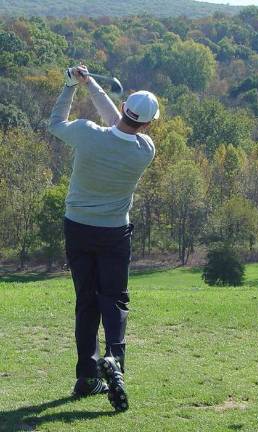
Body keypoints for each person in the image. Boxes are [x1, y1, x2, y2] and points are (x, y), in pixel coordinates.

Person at [48, 65, 159, 412]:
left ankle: (86, 376)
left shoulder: (87, 134)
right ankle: (115, 363)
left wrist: (71, 86)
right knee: (114, 300)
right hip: (114, 233)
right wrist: (91, 84)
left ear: (124, 107)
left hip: (78, 227)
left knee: (86, 302)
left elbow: (55, 123)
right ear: (148, 124)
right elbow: (122, 127)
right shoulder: (145, 150)